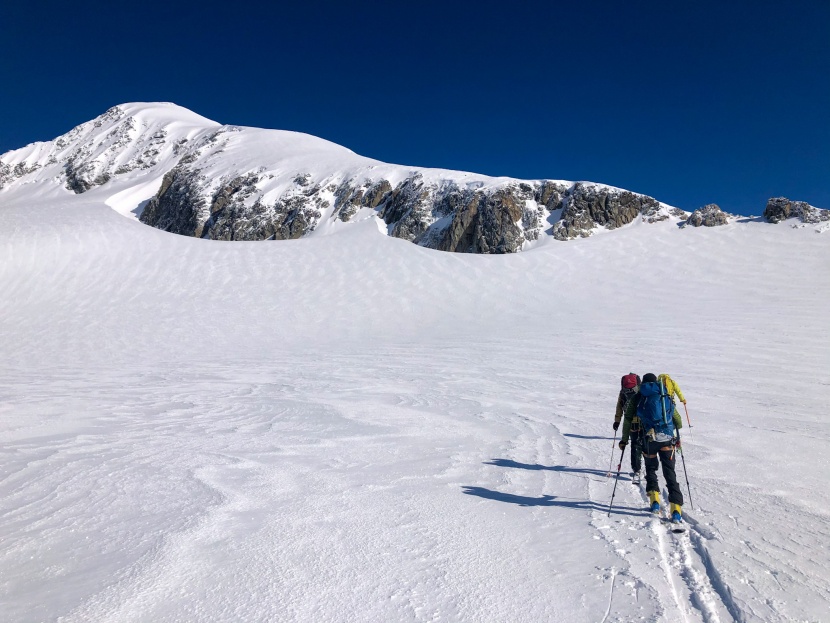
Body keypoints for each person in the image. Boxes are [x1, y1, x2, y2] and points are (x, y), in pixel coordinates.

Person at [619, 373, 685, 523]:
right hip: (667, 439)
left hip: (649, 440)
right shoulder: (664, 394)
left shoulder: (638, 396)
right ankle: (676, 510)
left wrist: (624, 440)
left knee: (650, 470)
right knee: (670, 473)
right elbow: (678, 421)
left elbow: (628, 419)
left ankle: (655, 502)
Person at [613, 373, 643, 480]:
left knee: (634, 444)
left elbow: (619, 407)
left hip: (630, 422)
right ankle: (649, 469)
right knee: (646, 444)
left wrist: (617, 421)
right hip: (645, 422)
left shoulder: (623, 393)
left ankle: (636, 469)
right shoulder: (642, 390)